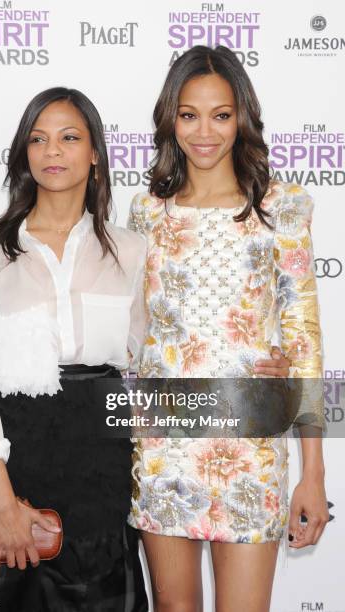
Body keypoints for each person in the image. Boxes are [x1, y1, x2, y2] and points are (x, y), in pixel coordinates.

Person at [127, 45, 328, 612]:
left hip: (249, 445)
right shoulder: (147, 213)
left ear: (242, 116)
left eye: (221, 114)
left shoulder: (280, 206)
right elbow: (134, 332)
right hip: (165, 444)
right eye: (189, 114)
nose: (204, 131)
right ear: (171, 119)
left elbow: (304, 340)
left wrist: (312, 475)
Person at [0, 87, 149, 612]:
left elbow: (155, 357)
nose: (52, 151)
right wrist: (4, 503)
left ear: (95, 154)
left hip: (100, 471)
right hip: (9, 468)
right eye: (38, 139)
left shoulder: (132, 251)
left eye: (69, 137)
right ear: (24, 153)